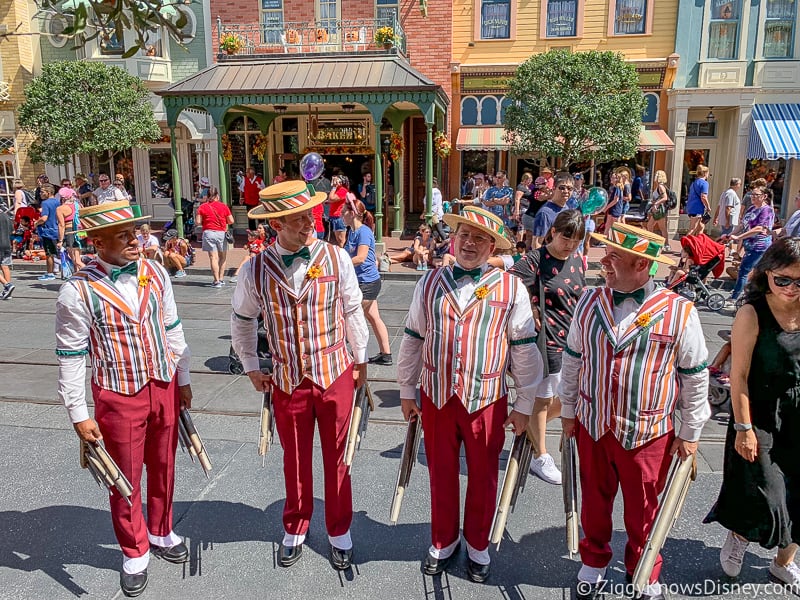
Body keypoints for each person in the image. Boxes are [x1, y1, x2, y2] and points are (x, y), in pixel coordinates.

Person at [560, 221, 710, 600]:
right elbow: (573, 360)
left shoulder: (680, 311)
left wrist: (690, 432)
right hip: (593, 425)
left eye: (613, 256)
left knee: (644, 508)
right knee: (594, 499)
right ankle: (594, 561)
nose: (603, 262)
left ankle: (644, 570)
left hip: (648, 432)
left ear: (642, 265)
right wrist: (567, 410)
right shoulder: (589, 301)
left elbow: (694, 377)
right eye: (605, 254)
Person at [397, 206, 544, 583]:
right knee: (441, 472)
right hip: (437, 395)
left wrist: (525, 404)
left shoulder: (511, 288)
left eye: (480, 238)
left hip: (487, 399)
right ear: (453, 237)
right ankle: (444, 540)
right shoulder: (429, 283)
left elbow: (524, 349)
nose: (470, 243)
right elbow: (413, 337)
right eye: (464, 234)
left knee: (483, 476)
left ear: (492, 245)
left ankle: (478, 544)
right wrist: (406, 389)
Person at [55, 200, 192, 597]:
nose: (134, 240)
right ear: (96, 242)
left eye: (134, 233)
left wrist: (182, 376)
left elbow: (172, 326)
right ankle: (134, 549)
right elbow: (70, 355)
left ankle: (162, 528)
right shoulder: (76, 290)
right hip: (117, 394)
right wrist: (79, 413)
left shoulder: (155, 272)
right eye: (123, 235)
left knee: (164, 463)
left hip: (162, 384)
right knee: (124, 476)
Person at [231, 180, 369, 571]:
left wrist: (360, 361)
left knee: (338, 457)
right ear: (276, 225)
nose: (311, 221)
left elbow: (353, 310)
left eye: (311, 214)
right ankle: (295, 526)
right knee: (294, 457)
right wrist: (251, 365)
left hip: (335, 372)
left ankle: (340, 530)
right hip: (288, 378)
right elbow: (242, 321)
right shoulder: (253, 270)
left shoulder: (337, 257)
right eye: (300, 217)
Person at [704, 238, 800, 589]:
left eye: (799, 281)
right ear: (767, 274)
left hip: (797, 412)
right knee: (767, 491)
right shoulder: (752, 312)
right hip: (759, 411)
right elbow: (739, 375)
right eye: (783, 279)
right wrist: (743, 427)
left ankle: (783, 562)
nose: (791, 288)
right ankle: (740, 534)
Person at [509, 209, 586, 485]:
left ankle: (530, 425)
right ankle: (540, 454)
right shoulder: (535, 260)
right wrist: (530, 306)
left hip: (573, 339)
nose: (571, 244)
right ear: (553, 231)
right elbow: (509, 284)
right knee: (543, 399)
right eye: (567, 237)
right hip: (547, 340)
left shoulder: (577, 260)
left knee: (567, 397)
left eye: (577, 239)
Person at [343, 198, 393, 366]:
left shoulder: (363, 232)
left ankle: (353, 355)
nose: (341, 215)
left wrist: (338, 263)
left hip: (367, 283)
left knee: (349, 316)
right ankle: (386, 354)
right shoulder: (352, 232)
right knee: (373, 317)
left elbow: (361, 257)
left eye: (343, 212)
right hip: (361, 281)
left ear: (352, 214)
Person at [727, 185, 774, 305]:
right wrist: (730, 235)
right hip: (750, 245)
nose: (752, 197)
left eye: (756, 195)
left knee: (744, 270)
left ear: (764, 196)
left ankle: (734, 298)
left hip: (759, 245)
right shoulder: (752, 208)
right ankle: (755, 296)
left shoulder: (767, 210)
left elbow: (759, 228)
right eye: (751, 194)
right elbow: (742, 225)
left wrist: (739, 237)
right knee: (758, 272)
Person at [195, 186, 234, 288]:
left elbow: (198, 222)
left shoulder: (202, 207)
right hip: (221, 233)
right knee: (223, 257)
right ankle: (221, 279)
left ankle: (216, 281)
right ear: (217, 195)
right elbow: (231, 221)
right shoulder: (224, 206)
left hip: (208, 233)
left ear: (207, 196)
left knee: (213, 257)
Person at [531, 172, 574, 249]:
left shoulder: (568, 209)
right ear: (554, 188)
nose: (566, 191)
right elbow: (536, 243)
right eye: (562, 188)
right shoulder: (545, 213)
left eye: (570, 188)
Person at [34, 184, 60, 281]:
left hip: (48, 231)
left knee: (49, 253)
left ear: (48, 193)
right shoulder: (57, 202)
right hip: (57, 229)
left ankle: (50, 273)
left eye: (42, 192)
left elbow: (44, 218)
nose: (40, 194)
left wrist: (36, 223)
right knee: (57, 252)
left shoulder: (45, 203)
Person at [56, 186, 85, 270]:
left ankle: (89, 275)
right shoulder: (78, 205)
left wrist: (60, 241)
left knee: (76, 261)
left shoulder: (60, 209)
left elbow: (61, 225)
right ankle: (78, 278)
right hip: (80, 232)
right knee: (78, 258)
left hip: (70, 232)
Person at [687, 165, 711, 237]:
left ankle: (698, 245)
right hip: (697, 208)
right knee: (693, 229)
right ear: (705, 173)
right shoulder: (704, 183)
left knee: (701, 227)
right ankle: (684, 246)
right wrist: (708, 206)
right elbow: (703, 196)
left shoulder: (694, 183)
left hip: (691, 206)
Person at [646, 170, 670, 241]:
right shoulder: (660, 186)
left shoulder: (661, 187)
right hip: (657, 209)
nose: (655, 176)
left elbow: (665, 198)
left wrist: (656, 203)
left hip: (659, 209)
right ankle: (652, 241)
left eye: (656, 174)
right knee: (651, 226)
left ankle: (665, 244)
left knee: (660, 227)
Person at [0, 203, 14, 300]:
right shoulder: (5, 215)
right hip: (6, 243)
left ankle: (7, 285)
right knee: (5, 266)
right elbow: (12, 230)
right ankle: (8, 290)